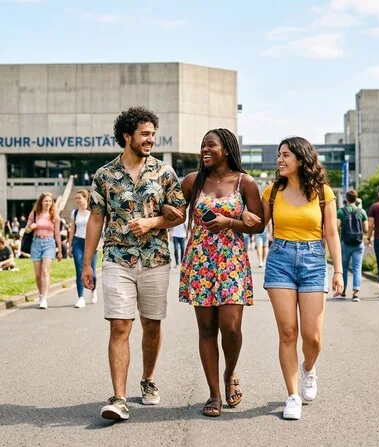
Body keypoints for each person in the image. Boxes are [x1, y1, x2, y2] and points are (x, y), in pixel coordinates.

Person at [81, 106, 186, 421]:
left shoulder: (164, 173)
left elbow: (179, 213)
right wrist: (87, 264)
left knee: (152, 324)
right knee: (119, 324)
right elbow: (96, 219)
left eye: (153, 134)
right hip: (117, 259)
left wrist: (153, 222)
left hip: (155, 259)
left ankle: (149, 379)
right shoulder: (104, 175)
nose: (150, 139)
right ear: (127, 136)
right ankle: (119, 397)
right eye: (145, 134)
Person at [179, 128, 265, 417]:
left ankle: (230, 373)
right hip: (200, 260)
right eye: (202, 145)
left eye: (211, 145)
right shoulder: (193, 181)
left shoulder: (245, 182)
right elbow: (174, 212)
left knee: (230, 327)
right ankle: (214, 394)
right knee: (206, 329)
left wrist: (231, 221)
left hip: (231, 261)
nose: (205, 149)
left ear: (226, 149)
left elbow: (259, 224)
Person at [261, 136, 343, 420]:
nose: (280, 160)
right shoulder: (271, 192)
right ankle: (292, 395)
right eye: (279, 155)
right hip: (280, 259)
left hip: (313, 261)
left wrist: (339, 271)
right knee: (287, 332)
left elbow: (332, 233)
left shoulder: (323, 193)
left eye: (286, 155)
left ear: (301, 158)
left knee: (313, 336)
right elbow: (258, 223)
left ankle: (309, 367)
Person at [25, 192, 63, 309]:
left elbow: (57, 234)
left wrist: (60, 250)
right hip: (36, 243)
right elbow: (26, 230)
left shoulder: (55, 216)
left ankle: (45, 299)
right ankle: (41, 294)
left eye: (50, 201)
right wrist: (30, 227)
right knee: (37, 274)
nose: (48, 203)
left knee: (45, 271)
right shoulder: (34, 214)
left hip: (49, 243)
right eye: (46, 201)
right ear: (41, 202)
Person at [66, 189, 99, 309]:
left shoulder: (92, 212)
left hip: (91, 243)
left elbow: (97, 229)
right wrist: (70, 246)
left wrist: (99, 244)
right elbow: (72, 231)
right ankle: (80, 297)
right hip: (78, 243)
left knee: (93, 272)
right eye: (76, 198)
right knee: (79, 270)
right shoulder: (74, 213)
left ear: (86, 198)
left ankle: (93, 289)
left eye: (79, 198)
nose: (77, 200)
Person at [337, 189, 369, 301]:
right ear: (356, 199)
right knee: (357, 268)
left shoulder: (341, 212)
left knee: (344, 268)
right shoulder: (362, 212)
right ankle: (355, 293)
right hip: (358, 243)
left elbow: (336, 227)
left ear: (347, 199)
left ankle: (343, 290)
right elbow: (366, 229)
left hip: (345, 243)